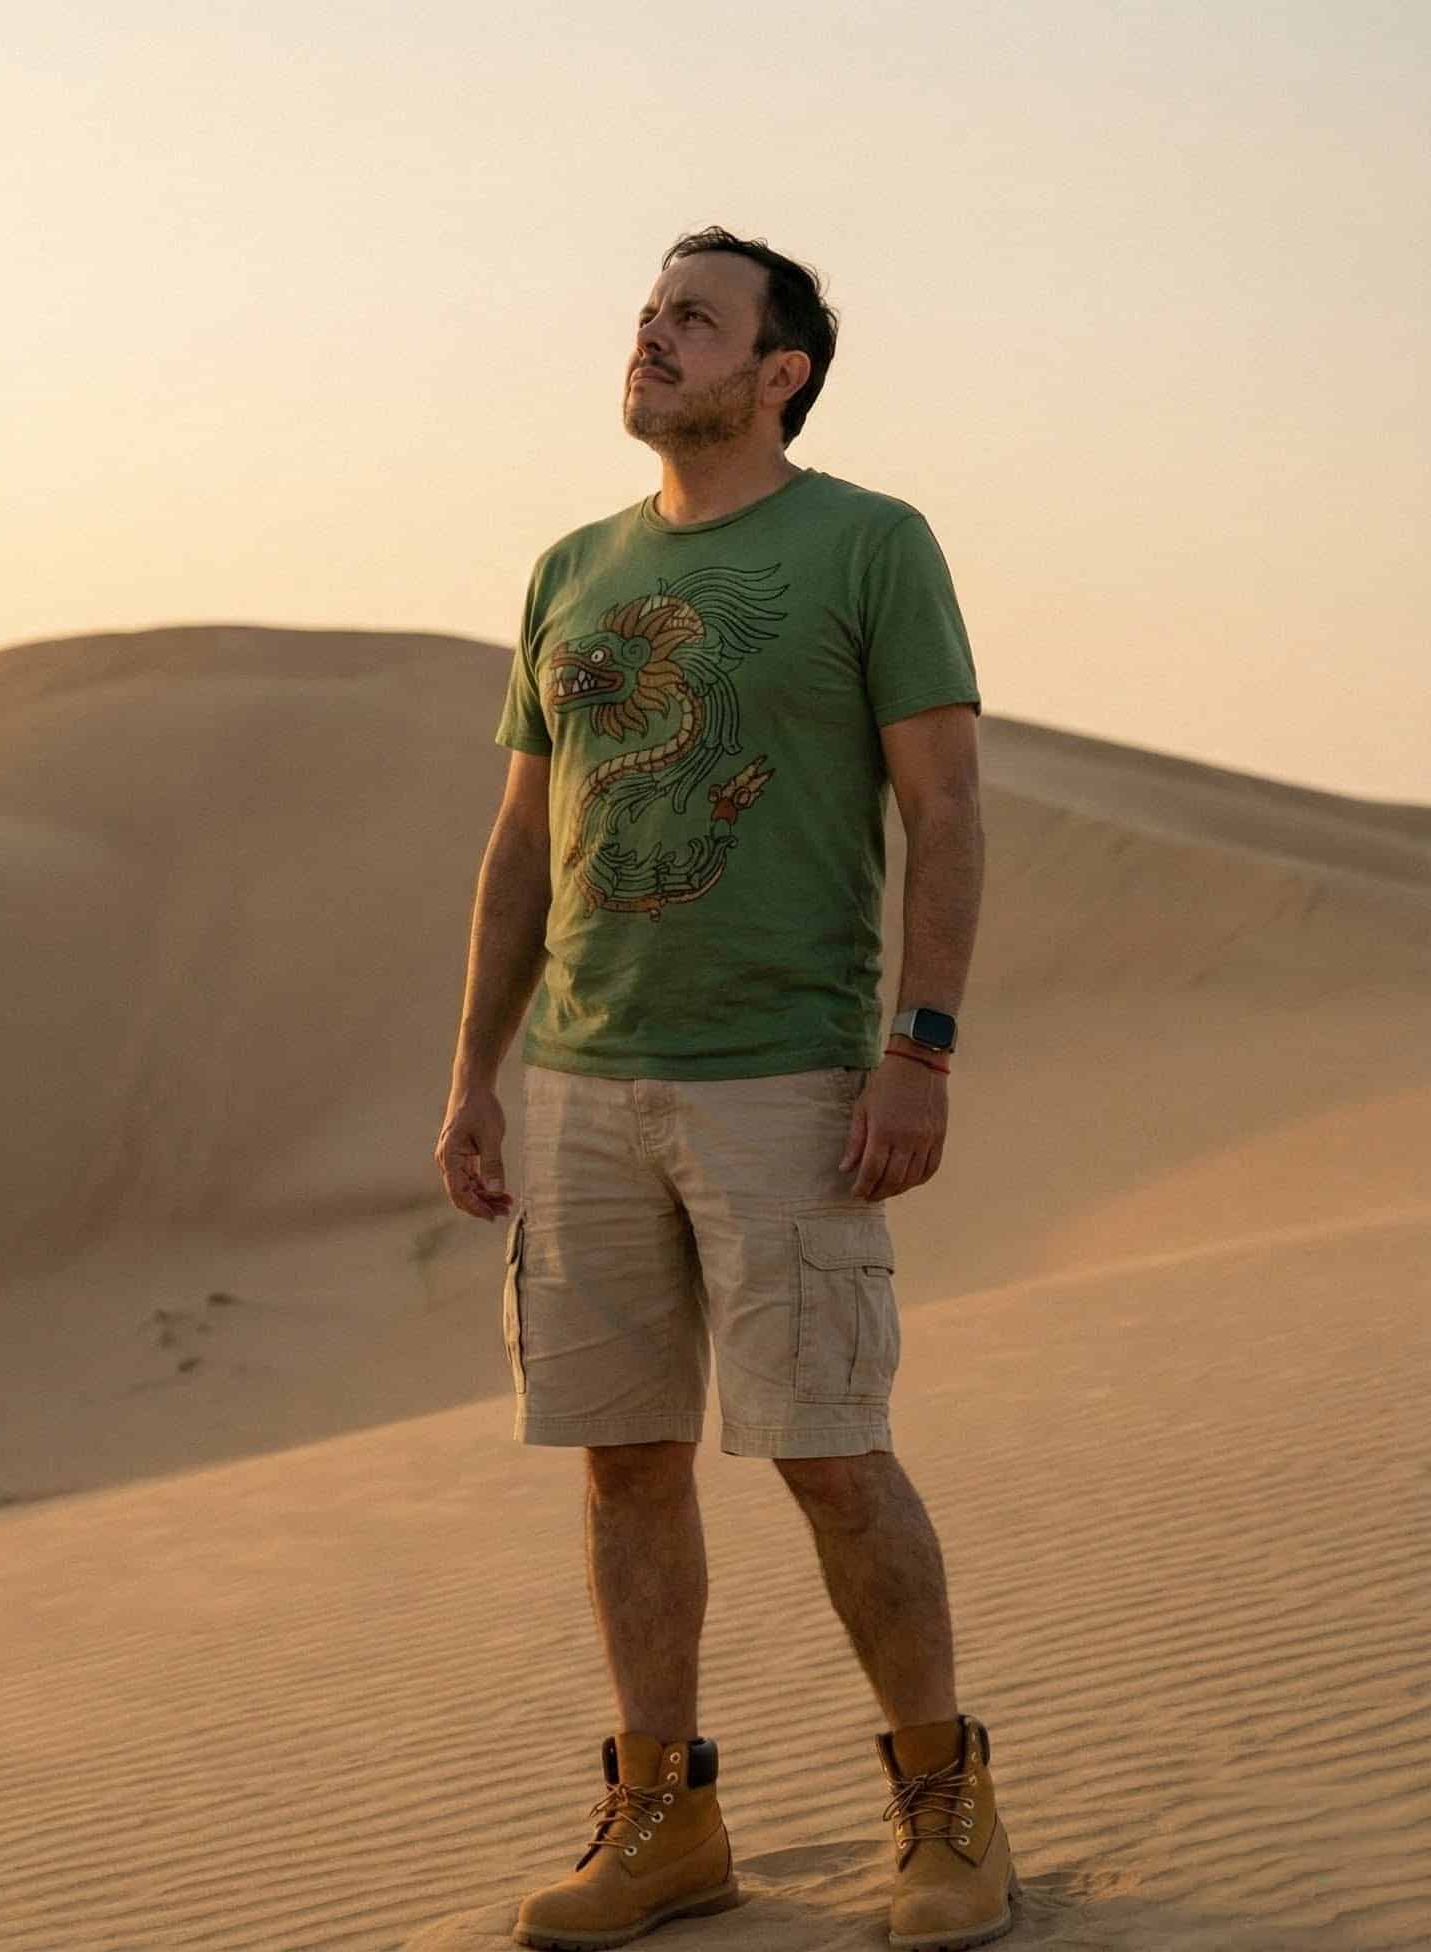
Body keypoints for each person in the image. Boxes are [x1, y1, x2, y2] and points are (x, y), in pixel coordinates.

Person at [435, 227, 1019, 1952]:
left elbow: (954, 809)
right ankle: (666, 1813)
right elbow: (524, 842)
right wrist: (473, 1067)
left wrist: (921, 1050)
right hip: (587, 1079)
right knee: (624, 1462)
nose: (652, 335)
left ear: (781, 374)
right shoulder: (571, 568)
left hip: (788, 1076)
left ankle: (943, 1803)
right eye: (647, 311)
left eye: (695, 318)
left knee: (831, 1453)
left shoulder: (870, 545)